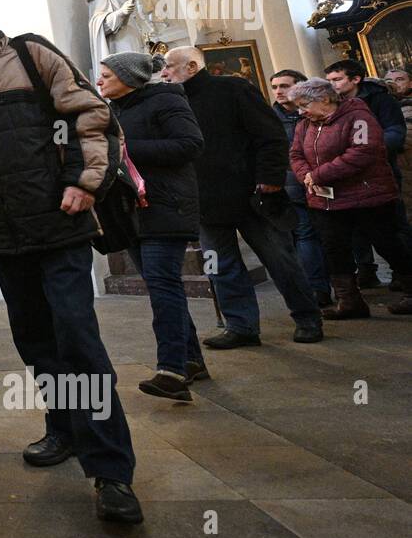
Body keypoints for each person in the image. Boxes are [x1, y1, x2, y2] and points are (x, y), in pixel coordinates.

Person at [0, 0, 142, 525]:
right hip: (4, 235)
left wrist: (86, 182)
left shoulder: (30, 54)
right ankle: (64, 427)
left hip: (59, 224)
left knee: (77, 339)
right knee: (35, 338)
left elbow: (91, 115)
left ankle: (111, 471)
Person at [162, 47, 324, 346]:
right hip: (205, 201)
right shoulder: (172, 101)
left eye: (170, 67)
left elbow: (270, 136)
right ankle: (241, 326)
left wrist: (270, 180)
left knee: (280, 260)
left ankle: (307, 317)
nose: (164, 73)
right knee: (219, 265)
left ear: (193, 66)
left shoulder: (234, 89)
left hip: (253, 195)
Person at [97, 52, 207, 400]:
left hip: (165, 205)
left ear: (129, 78)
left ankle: (171, 370)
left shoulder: (165, 100)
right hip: (133, 212)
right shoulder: (115, 110)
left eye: (106, 76)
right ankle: (191, 360)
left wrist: (125, 151)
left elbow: (190, 144)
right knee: (161, 285)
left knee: (162, 285)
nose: (99, 82)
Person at [287, 78, 412, 316]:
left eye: (304, 105)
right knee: (335, 249)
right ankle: (350, 301)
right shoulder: (305, 124)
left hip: (368, 196)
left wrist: (319, 174)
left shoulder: (358, 117)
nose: (301, 111)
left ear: (324, 99)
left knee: (389, 244)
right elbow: (295, 153)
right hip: (325, 200)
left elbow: (363, 151)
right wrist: (307, 176)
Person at [324, 59, 411, 289]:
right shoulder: (331, 102)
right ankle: (366, 269)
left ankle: (403, 273)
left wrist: (367, 150)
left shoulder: (379, 99)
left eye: (337, 79)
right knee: (354, 227)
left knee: (390, 226)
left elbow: (395, 131)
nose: (332, 85)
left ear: (355, 79)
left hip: (379, 169)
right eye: (329, 80)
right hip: (345, 173)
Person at [271, 69, 332, 307]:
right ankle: (317, 288)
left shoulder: (314, 113)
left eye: (284, 86)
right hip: (293, 185)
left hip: (327, 180)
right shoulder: (269, 116)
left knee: (331, 235)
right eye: (275, 87)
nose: (279, 91)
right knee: (305, 235)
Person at [387, 68, 412, 222]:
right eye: (389, 81)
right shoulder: (389, 107)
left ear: (410, 83)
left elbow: (405, 139)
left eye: (399, 79)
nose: (394, 83)